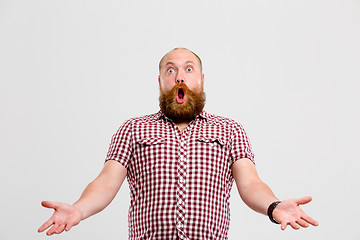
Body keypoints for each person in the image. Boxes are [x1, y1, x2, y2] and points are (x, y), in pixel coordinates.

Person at [38, 48, 318, 239]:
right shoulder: (133, 128)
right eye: (170, 71)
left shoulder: (230, 129)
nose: (179, 76)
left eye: (188, 69)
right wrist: (79, 209)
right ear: (160, 81)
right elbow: (105, 183)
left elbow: (251, 184)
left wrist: (274, 206)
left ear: (201, 79)